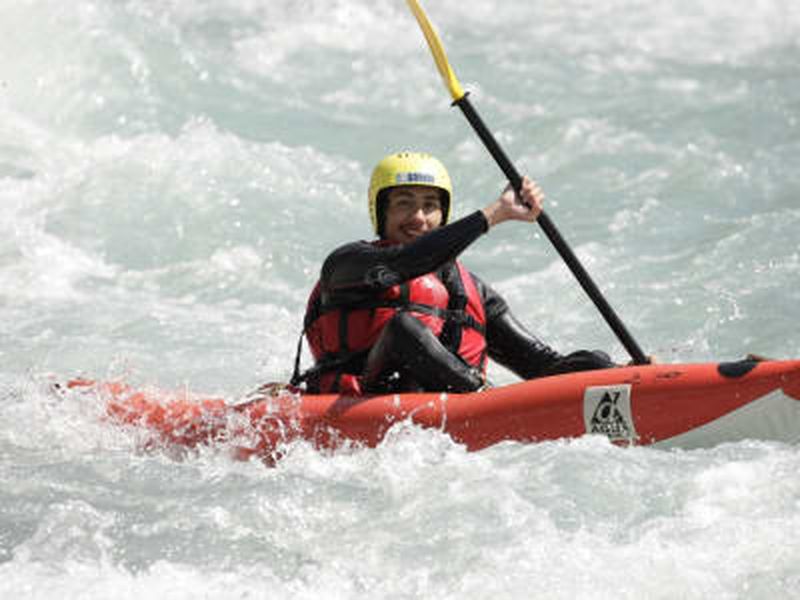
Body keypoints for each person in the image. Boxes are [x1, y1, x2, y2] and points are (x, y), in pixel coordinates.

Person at [292, 151, 615, 395]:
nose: (419, 217)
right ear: (381, 211)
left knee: (594, 363)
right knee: (405, 327)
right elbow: (406, 263)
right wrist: (497, 213)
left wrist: (617, 375)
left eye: (430, 206)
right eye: (404, 204)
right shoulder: (348, 264)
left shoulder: (468, 288)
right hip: (366, 399)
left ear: (443, 215)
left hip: (448, 406)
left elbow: (541, 365)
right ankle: (481, 401)